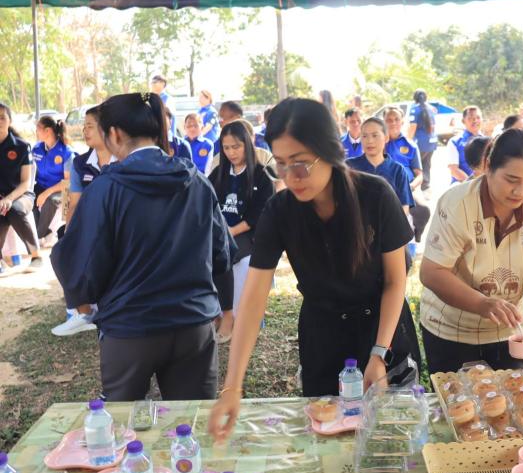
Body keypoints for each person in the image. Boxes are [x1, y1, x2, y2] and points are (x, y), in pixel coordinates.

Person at [207, 98, 421, 442]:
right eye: (281, 164)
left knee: (391, 437)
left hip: (383, 327)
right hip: (323, 334)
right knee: (328, 436)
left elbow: (396, 282)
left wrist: (379, 353)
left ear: (330, 152)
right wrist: (232, 387)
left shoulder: (375, 195)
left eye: (301, 163)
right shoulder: (280, 211)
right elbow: (253, 299)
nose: (291, 177)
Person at [51, 92, 235, 401]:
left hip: (129, 328)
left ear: (114, 134)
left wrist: (84, 303)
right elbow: (222, 254)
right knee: (192, 421)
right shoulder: (196, 182)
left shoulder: (106, 188)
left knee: (124, 424)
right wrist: (223, 306)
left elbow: (82, 260)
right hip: (193, 325)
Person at [419, 128, 523, 373]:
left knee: (511, 396)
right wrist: (482, 303)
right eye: (511, 179)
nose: (520, 191)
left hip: (509, 332)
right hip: (451, 331)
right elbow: (433, 272)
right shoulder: (457, 204)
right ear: (487, 166)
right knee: (458, 397)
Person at [51, 105, 115, 337]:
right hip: (90, 226)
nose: (84, 131)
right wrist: (70, 233)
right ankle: (84, 312)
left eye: (90, 126)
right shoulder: (81, 163)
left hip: (118, 225)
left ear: (108, 129)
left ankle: (106, 312)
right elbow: (75, 204)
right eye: (83, 126)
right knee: (61, 251)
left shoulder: (123, 159)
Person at [209, 120, 274, 342]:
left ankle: (231, 315)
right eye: (226, 148)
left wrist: (230, 232)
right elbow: (206, 202)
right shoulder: (218, 173)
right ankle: (214, 313)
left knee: (234, 257)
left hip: (248, 234)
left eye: (236, 146)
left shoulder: (262, 176)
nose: (231, 152)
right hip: (219, 232)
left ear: (247, 143)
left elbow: (258, 214)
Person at [0, 102, 42, 273]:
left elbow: (26, 182)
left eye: (2, 117)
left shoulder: (22, 146)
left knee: (13, 210)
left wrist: (8, 199)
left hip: (22, 195)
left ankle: (36, 256)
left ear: (10, 121)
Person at [346, 117, 413, 216]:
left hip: (389, 222)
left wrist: (393, 223)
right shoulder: (349, 166)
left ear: (386, 138)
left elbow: (404, 206)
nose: (369, 141)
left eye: (375, 135)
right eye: (364, 136)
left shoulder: (397, 170)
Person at [384, 107, 431, 245]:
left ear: (402, 121)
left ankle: (416, 235)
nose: (393, 123)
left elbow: (419, 175)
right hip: (385, 185)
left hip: (408, 186)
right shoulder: (378, 143)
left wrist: (410, 187)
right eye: (389, 120)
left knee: (423, 210)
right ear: (384, 122)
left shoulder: (411, 145)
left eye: (396, 119)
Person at [32, 116, 74, 245]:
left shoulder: (66, 152)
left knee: (50, 200)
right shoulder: (37, 148)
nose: (36, 131)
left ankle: (38, 236)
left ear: (48, 131)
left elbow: (68, 182)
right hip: (41, 185)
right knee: (30, 197)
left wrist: (46, 193)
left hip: (61, 189)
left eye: (38, 128)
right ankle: (44, 233)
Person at [408, 89, 438, 192]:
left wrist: (407, 141)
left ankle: (413, 188)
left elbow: (412, 127)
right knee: (426, 164)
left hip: (420, 142)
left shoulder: (415, 109)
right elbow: (433, 126)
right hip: (432, 141)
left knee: (415, 165)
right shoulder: (432, 108)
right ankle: (426, 186)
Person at [446, 106, 483, 183]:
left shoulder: (488, 141)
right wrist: (473, 184)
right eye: (471, 118)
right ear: (463, 121)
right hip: (463, 186)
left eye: (478, 117)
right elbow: (454, 170)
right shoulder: (455, 142)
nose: (475, 120)